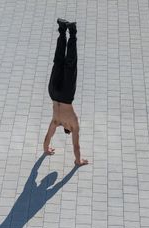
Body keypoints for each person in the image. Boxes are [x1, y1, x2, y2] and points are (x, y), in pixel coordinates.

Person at [44, 18, 88, 166]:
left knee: (70, 65)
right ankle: (62, 30)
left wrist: (78, 161)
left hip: (65, 95)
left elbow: (76, 146)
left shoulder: (73, 124)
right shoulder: (56, 121)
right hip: (53, 93)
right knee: (58, 62)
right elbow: (48, 137)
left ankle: (72, 32)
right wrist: (46, 149)